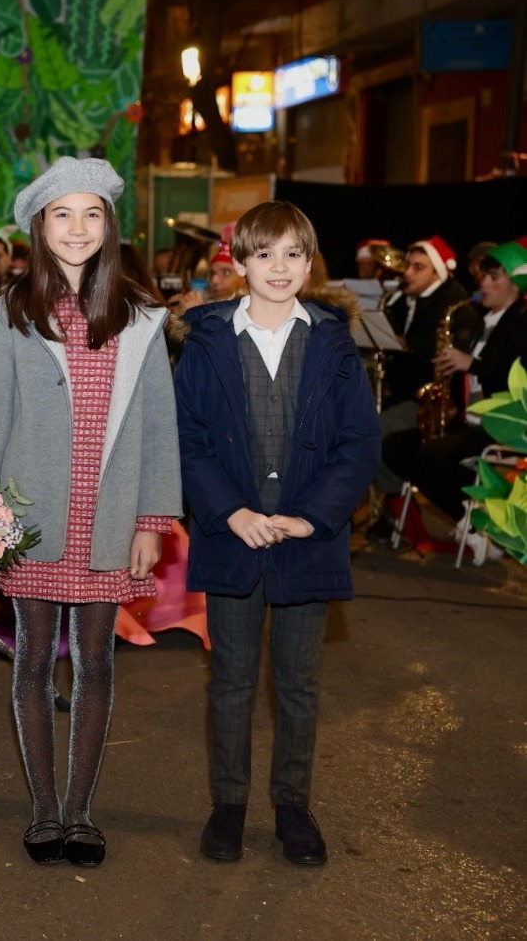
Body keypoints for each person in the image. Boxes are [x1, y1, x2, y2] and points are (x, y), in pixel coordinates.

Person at [0, 157, 181, 869]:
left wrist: (152, 519)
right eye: (61, 215)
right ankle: (42, 809)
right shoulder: (12, 312)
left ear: (109, 226)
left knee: (96, 665)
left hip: (107, 518)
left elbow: (158, 425)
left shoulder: (138, 317)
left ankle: (81, 812)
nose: (77, 228)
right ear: (38, 228)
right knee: (29, 665)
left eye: (91, 215)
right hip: (31, 520)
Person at [173, 200, 381, 867]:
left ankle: (293, 805)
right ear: (239, 264)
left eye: (294, 253)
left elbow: (358, 444)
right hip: (231, 536)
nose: (280, 267)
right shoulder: (206, 342)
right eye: (265, 254)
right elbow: (187, 441)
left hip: (306, 541)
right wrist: (230, 512)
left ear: (310, 261)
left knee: (298, 684)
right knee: (231, 679)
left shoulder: (332, 343)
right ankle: (227, 805)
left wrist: (315, 515)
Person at [383, 240, 527, 533]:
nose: (483, 283)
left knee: (433, 455)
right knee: (394, 446)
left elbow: (513, 383)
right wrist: (450, 402)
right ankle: (469, 516)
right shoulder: (481, 321)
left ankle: (484, 521)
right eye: (482, 276)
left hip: (499, 427)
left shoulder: (521, 327)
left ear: (515, 285)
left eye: (493, 278)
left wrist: (470, 363)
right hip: (468, 420)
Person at [383, 236, 478, 409]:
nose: (407, 273)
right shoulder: (404, 297)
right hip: (403, 392)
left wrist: (406, 344)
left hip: (429, 401)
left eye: (418, 267)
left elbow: (443, 356)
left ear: (438, 272)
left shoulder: (454, 304)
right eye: (408, 265)